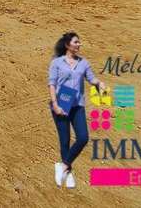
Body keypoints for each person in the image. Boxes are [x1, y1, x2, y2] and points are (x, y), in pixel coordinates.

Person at [48, 32, 106, 188]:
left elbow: (91, 78)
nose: (79, 44)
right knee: (65, 140)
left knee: (83, 137)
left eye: (79, 42)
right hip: (60, 104)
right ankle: (68, 172)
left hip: (77, 104)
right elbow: (52, 84)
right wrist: (54, 104)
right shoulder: (57, 63)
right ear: (68, 45)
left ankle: (64, 165)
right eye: (76, 42)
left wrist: (98, 83)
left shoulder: (83, 63)